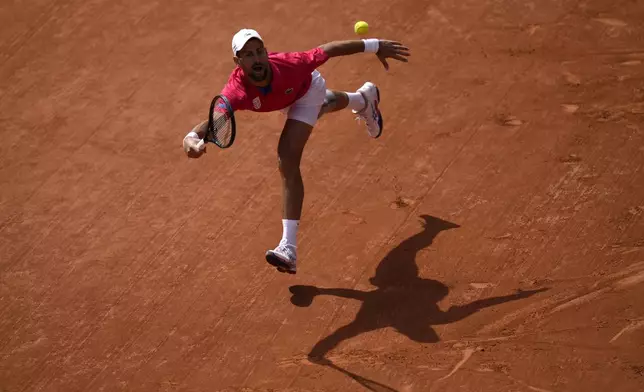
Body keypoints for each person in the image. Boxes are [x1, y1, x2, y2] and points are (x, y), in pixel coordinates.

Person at [183, 28, 410, 274]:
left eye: (259, 52)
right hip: (284, 98)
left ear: (266, 52)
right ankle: (363, 99)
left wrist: (374, 45)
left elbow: (329, 49)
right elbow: (215, 121)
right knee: (324, 105)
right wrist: (191, 137)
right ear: (238, 62)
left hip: (306, 88)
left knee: (287, 157)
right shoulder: (236, 90)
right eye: (248, 55)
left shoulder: (292, 64)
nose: (256, 59)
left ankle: (288, 247)